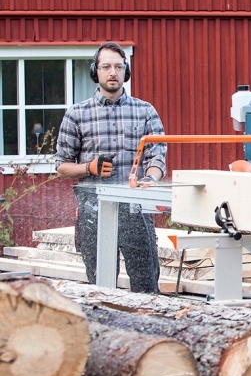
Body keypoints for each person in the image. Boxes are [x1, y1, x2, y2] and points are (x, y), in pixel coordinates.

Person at [53, 42, 167, 294]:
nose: (112, 72)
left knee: (146, 284)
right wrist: (89, 167)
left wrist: (149, 179)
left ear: (126, 71)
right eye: (106, 67)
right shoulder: (77, 114)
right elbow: (61, 165)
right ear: (96, 71)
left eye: (118, 66)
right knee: (100, 286)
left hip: (135, 208)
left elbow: (157, 157)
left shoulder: (145, 111)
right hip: (94, 210)